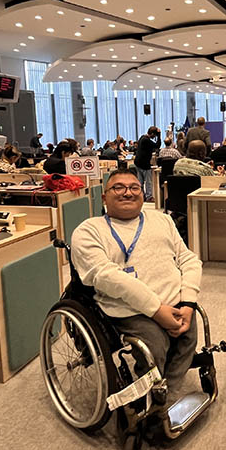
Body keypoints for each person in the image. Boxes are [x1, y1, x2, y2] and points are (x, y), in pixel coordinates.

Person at [70, 168, 201, 397]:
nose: (128, 193)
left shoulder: (162, 220)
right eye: (118, 188)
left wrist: (189, 302)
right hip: (127, 309)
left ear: (142, 193)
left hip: (176, 302)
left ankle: (166, 392)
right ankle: (149, 397)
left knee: (187, 338)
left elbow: (188, 259)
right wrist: (156, 310)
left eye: (134, 188)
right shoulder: (88, 230)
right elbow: (106, 276)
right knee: (155, 345)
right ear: (104, 197)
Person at [134, 126, 160, 201]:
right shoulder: (146, 140)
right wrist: (159, 136)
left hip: (138, 162)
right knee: (148, 181)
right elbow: (157, 145)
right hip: (144, 163)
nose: (154, 137)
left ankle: (141, 195)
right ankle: (149, 197)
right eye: (154, 135)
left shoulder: (142, 137)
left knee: (140, 181)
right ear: (152, 134)